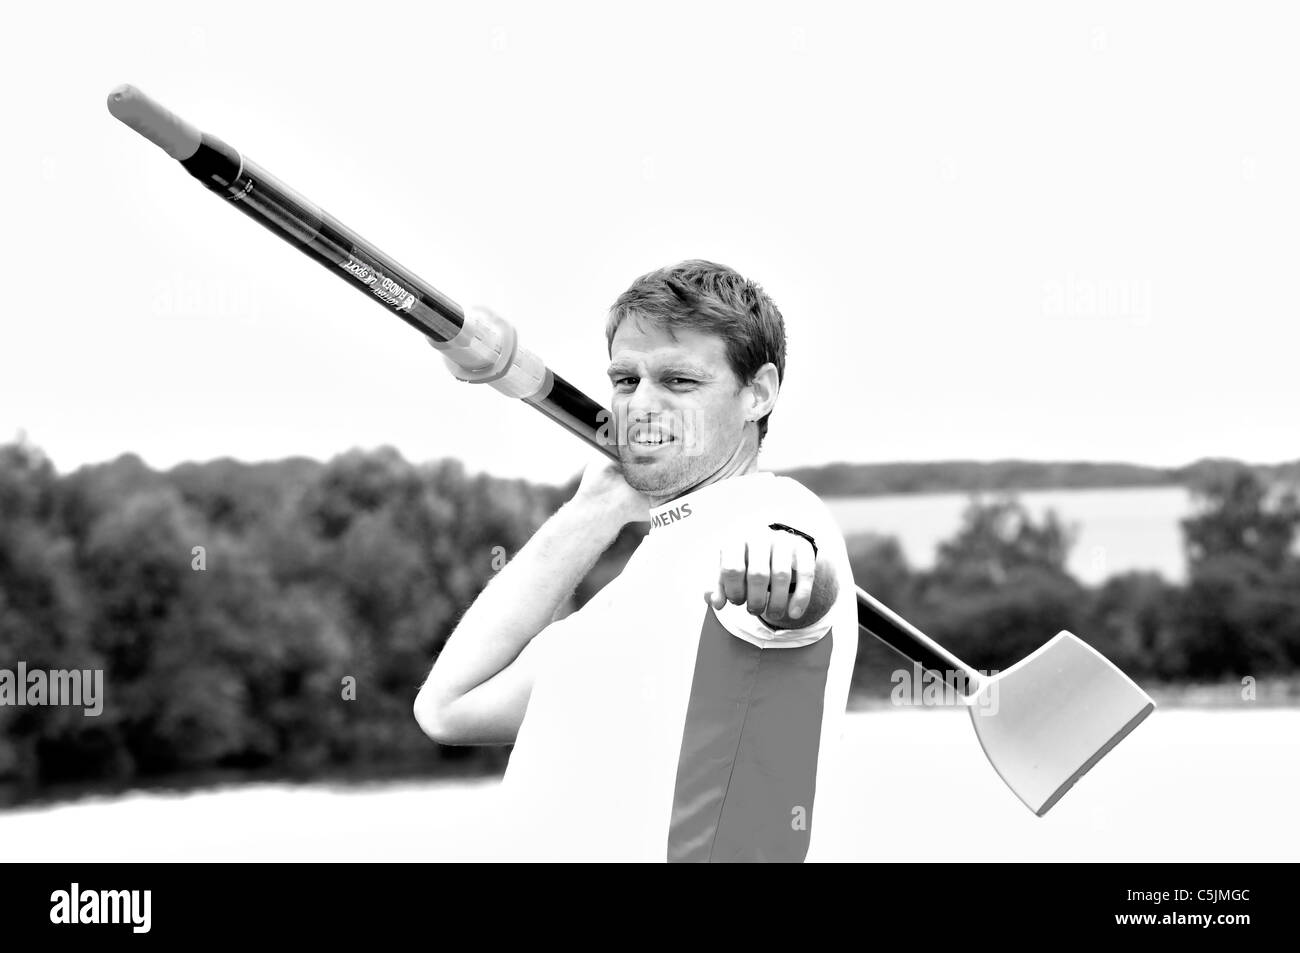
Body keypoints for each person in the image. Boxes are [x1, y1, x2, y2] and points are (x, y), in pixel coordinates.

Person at [414, 260, 859, 862]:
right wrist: (590, 512)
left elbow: (805, 575)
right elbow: (448, 708)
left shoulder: (774, 516)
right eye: (626, 381)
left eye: (678, 381)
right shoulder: (640, 584)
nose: (641, 405)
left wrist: (787, 558)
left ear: (758, 392)